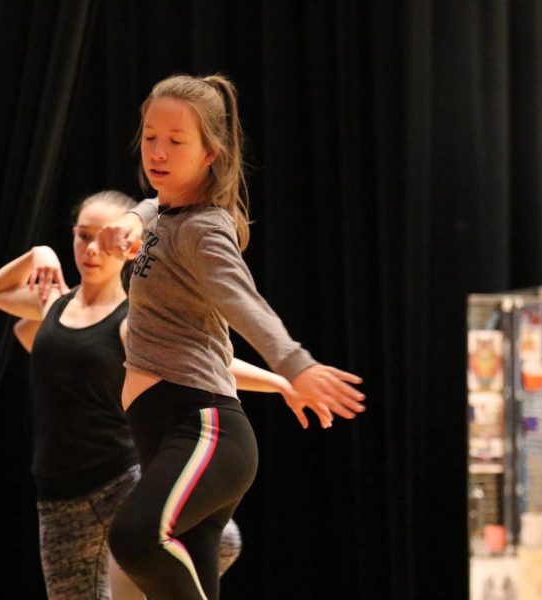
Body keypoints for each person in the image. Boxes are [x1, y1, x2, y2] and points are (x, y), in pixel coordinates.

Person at [101, 74, 366, 600]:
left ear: (210, 154)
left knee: (134, 539)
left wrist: (295, 364)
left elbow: (242, 303)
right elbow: (153, 205)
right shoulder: (163, 213)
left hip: (202, 429)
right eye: (150, 135)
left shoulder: (204, 228)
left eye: (176, 141)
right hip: (164, 432)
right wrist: (131, 216)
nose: (158, 150)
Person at [0, 190, 301, 600]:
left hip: (121, 476)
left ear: (130, 246)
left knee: (217, 541)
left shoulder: (135, 320)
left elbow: (212, 364)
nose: (92, 249)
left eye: (104, 238)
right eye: (83, 236)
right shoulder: (52, 302)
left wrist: (280, 382)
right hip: (59, 495)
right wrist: (37, 253)